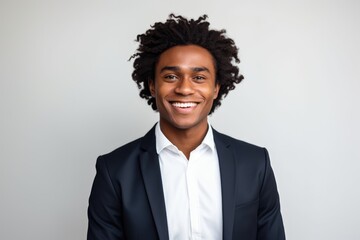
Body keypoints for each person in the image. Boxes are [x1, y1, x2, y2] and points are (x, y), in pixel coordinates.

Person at [87, 14, 285, 240]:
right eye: (171, 76)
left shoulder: (255, 163)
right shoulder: (114, 171)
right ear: (152, 85)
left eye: (199, 77)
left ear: (216, 87)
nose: (184, 89)